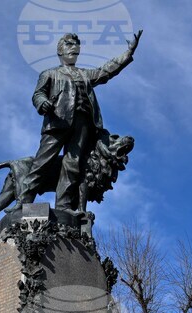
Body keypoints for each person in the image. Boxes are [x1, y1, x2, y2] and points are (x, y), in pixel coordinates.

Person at [21, 30, 142, 213]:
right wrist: (42, 103)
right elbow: (38, 94)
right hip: (57, 121)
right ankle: (23, 203)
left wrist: (128, 53)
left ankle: (64, 207)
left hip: (83, 125)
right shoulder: (50, 74)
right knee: (42, 162)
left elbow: (106, 70)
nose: (74, 49)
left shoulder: (85, 74)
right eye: (69, 45)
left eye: (76, 46)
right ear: (60, 51)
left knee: (73, 165)